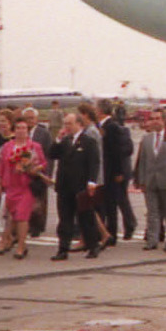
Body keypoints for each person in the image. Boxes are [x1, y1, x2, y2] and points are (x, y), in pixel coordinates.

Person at [50, 109, 101, 260]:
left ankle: (93, 246)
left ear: (79, 124)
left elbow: (94, 163)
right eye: (65, 124)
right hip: (64, 186)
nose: (67, 127)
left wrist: (92, 181)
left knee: (85, 217)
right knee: (65, 218)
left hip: (81, 186)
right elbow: (52, 154)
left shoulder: (88, 142)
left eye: (70, 124)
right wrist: (57, 139)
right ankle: (63, 249)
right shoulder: (65, 141)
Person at [132, 109, 166, 253]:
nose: (154, 121)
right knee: (152, 213)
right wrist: (141, 180)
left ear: (164, 120)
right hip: (150, 181)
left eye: (157, 118)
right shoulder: (147, 139)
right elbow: (142, 161)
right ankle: (152, 241)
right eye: (152, 118)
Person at [0, 119, 46, 259]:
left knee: (22, 216)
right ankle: (7, 239)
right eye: (18, 128)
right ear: (14, 130)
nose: (21, 130)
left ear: (28, 131)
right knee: (10, 215)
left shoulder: (34, 146)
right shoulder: (7, 146)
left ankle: (21, 247)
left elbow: (43, 163)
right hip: (11, 185)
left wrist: (33, 168)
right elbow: (2, 166)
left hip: (26, 186)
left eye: (24, 128)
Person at [95, 98, 135, 245]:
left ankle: (112, 234)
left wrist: (118, 172)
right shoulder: (99, 126)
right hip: (103, 171)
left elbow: (116, 152)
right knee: (103, 204)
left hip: (111, 171)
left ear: (100, 110)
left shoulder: (111, 127)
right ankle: (103, 233)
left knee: (111, 205)